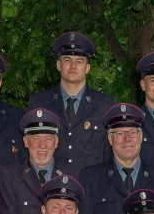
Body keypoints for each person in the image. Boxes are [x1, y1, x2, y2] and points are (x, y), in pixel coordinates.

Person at [27, 31, 116, 170]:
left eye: (79, 62)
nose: (73, 66)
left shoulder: (105, 105)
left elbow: (111, 155)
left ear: (87, 68)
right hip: (49, 187)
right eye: (67, 60)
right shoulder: (39, 102)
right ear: (58, 65)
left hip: (92, 188)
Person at [80, 103, 154, 214]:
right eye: (120, 133)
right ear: (110, 139)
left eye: (132, 132)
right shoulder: (91, 178)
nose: (127, 139)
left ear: (141, 137)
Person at [0, 107, 79, 214]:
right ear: (26, 142)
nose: (42, 146)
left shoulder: (72, 174)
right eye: (36, 139)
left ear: (56, 142)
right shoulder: (9, 175)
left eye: (48, 139)